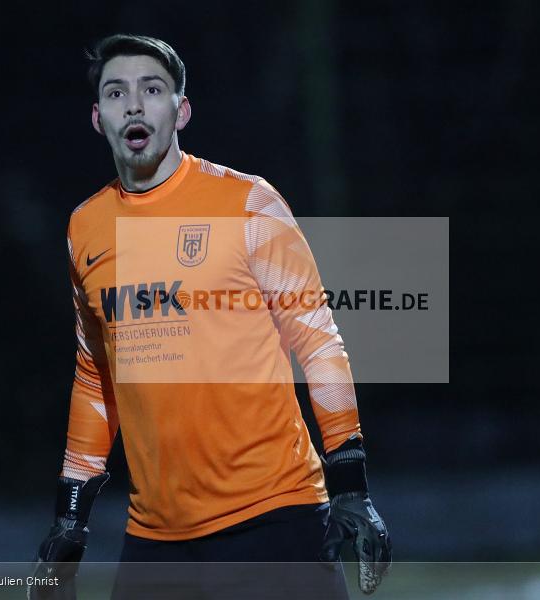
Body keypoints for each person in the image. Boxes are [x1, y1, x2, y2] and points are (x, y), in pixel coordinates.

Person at [29, 34, 391, 600]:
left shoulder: (248, 203)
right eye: (117, 92)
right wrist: (70, 516)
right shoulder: (86, 228)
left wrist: (351, 483)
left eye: (152, 90)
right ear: (98, 118)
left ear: (182, 110)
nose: (134, 105)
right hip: (155, 541)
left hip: (276, 518)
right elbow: (95, 375)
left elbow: (319, 343)